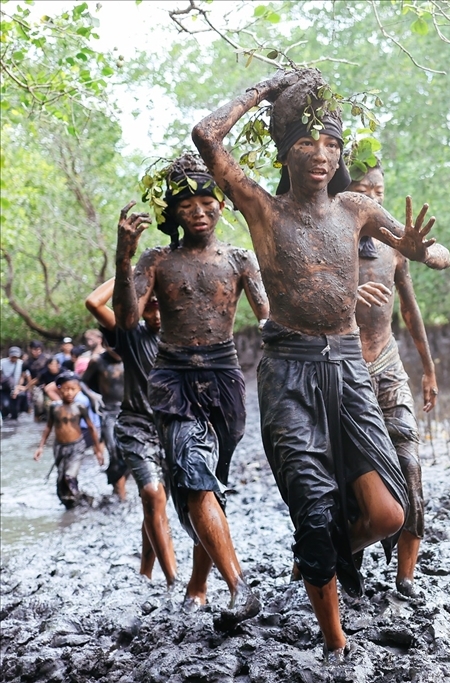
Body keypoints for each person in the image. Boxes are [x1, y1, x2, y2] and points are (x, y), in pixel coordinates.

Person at [192, 67, 450, 659]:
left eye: (332, 144)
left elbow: (431, 251)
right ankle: (336, 643)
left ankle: (332, 550)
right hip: (290, 371)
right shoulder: (262, 207)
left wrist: (420, 250)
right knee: (310, 507)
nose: (322, 154)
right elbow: (207, 137)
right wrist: (266, 89)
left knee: (389, 511)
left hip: (350, 370)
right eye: (308, 142)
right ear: (286, 151)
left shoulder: (356, 207)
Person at [112, 153, 269, 624]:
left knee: (210, 486)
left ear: (221, 204)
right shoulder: (157, 259)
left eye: (206, 201)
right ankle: (240, 588)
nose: (199, 211)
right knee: (196, 478)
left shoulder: (240, 260)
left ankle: (199, 584)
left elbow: (269, 320)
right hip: (173, 379)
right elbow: (126, 320)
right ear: (171, 214)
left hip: (224, 380)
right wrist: (122, 257)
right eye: (186, 205)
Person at [349, 162, 438, 599]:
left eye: (378, 190)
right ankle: (345, 558)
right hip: (345, 367)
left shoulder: (394, 245)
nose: (372, 198)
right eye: (362, 189)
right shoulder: (332, 241)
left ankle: (406, 576)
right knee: (349, 476)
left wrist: (428, 367)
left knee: (411, 468)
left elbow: (410, 307)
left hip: (388, 364)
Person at [87, 277, 178, 585]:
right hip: (136, 425)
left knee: (155, 503)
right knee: (153, 493)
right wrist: (134, 271)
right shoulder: (130, 334)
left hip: (172, 428)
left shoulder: (181, 335)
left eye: (161, 308)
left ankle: (146, 571)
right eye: (150, 308)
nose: (156, 316)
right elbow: (93, 303)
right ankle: (172, 580)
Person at [34, 373, 105, 509]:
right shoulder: (54, 407)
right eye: (66, 389)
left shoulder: (80, 407)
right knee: (61, 481)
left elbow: (91, 427)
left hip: (77, 446)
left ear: (78, 389)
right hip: (60, 447)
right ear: (59, 389)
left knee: (69, 476)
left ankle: (80, 500)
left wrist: (98, 451)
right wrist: (40, 447)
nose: (69, 392)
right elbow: (48, 427)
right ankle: (72, 504)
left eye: (73, 389)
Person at [82, 341, 128, 500]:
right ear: (106, 345)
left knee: (131, 451)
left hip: (131, 410)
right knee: (114, 450)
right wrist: (92, 396)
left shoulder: (132, 356)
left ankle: (119, 485)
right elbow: (82, 382)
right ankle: (120, 494)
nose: (118, 351)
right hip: (109, 410)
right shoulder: (97, 361)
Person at [1, 346, 30, 420]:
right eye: (12, 356)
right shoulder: (2, 362)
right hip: (5, 389)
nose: (14, 358)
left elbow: (25, 376)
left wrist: (19, 388)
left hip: (17, 389)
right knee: (5, 406)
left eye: (16, 357)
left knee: (17, 407)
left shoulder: (22, 364)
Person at [25, 341, 51, 420]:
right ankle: (37, 419)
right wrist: (28, 388)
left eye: (38, 350)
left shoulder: (46, 359)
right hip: (35, 385)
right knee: (38, 404)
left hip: (47, 384)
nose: (37, 352)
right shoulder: (27, 362)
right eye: (34, 350)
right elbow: (25, 375)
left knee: (48, 406)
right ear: (30, 349)